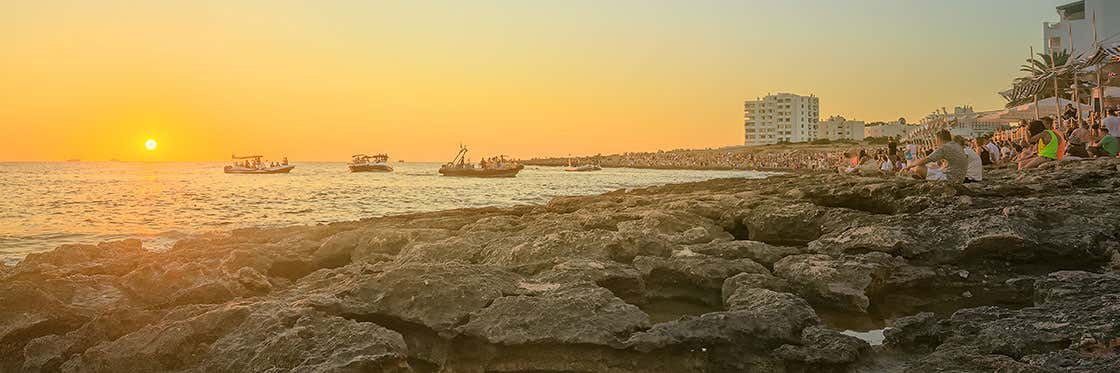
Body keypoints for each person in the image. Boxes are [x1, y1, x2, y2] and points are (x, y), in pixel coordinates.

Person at [902, 130, 968, 182]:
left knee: (918, 168)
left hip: (950, 178)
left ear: (939, 139)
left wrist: (909, 167)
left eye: (935, 139)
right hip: (960, 178)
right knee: (928, 166)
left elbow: (926, 159)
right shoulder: (956, 145)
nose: (935, 142)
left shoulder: (944, 147)